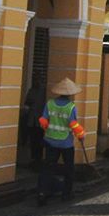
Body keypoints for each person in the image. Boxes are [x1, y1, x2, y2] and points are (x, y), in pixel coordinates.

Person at [37, 77, 86, 206]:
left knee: (48, 168)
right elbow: (73, 124)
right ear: (70, 94)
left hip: (50, 140)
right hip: (66, 143)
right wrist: (81, 135)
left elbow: (43, 120)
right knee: (68, 168)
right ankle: (67, 193)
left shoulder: (50, 104)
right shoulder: (71, 107)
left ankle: (43, 193)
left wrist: (47, 128)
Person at [23, 78, 46, 168]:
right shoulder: (31, 91)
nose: (37, 82)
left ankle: (39, 159)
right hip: (32, 119)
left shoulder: (43, 91)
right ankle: (34, 159)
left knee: (40, 140)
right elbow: (26, 103)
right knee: (33, 140)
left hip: (40, 120)